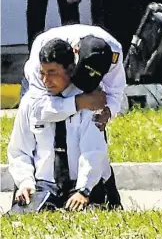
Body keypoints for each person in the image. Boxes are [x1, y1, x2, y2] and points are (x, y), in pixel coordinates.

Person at [8, 39, 117, 213]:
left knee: (89, 217)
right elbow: (19, 150)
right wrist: (25, 182)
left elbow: (93, 151)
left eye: (52, 73)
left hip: (81, 184)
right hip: (44, 186)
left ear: (71, 70)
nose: (46, 80)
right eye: (42, 73)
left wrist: (84, 190)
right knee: (21, 219)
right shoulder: (32, 101)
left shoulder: (91, 99)